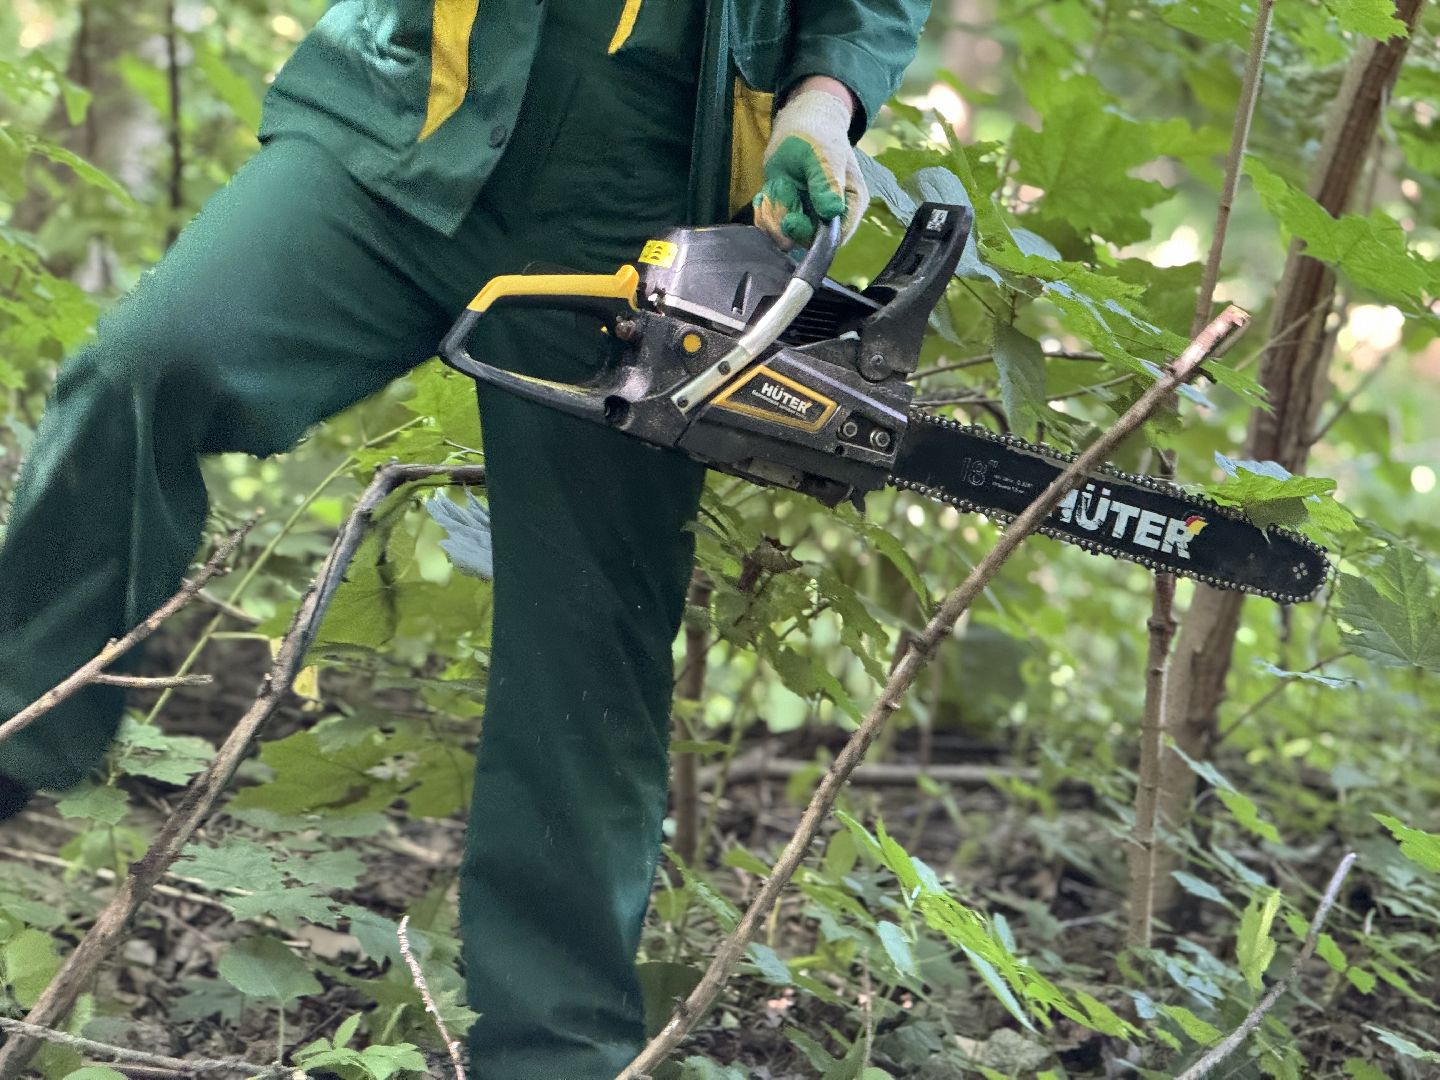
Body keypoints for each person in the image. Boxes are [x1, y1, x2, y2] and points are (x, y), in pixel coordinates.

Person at [0, 2, 930, 1075]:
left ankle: (556, 1053)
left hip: (639, 209)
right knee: (149, 366)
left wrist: (820, 108)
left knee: (590, 637)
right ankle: (21, 719)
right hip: (404, 126)